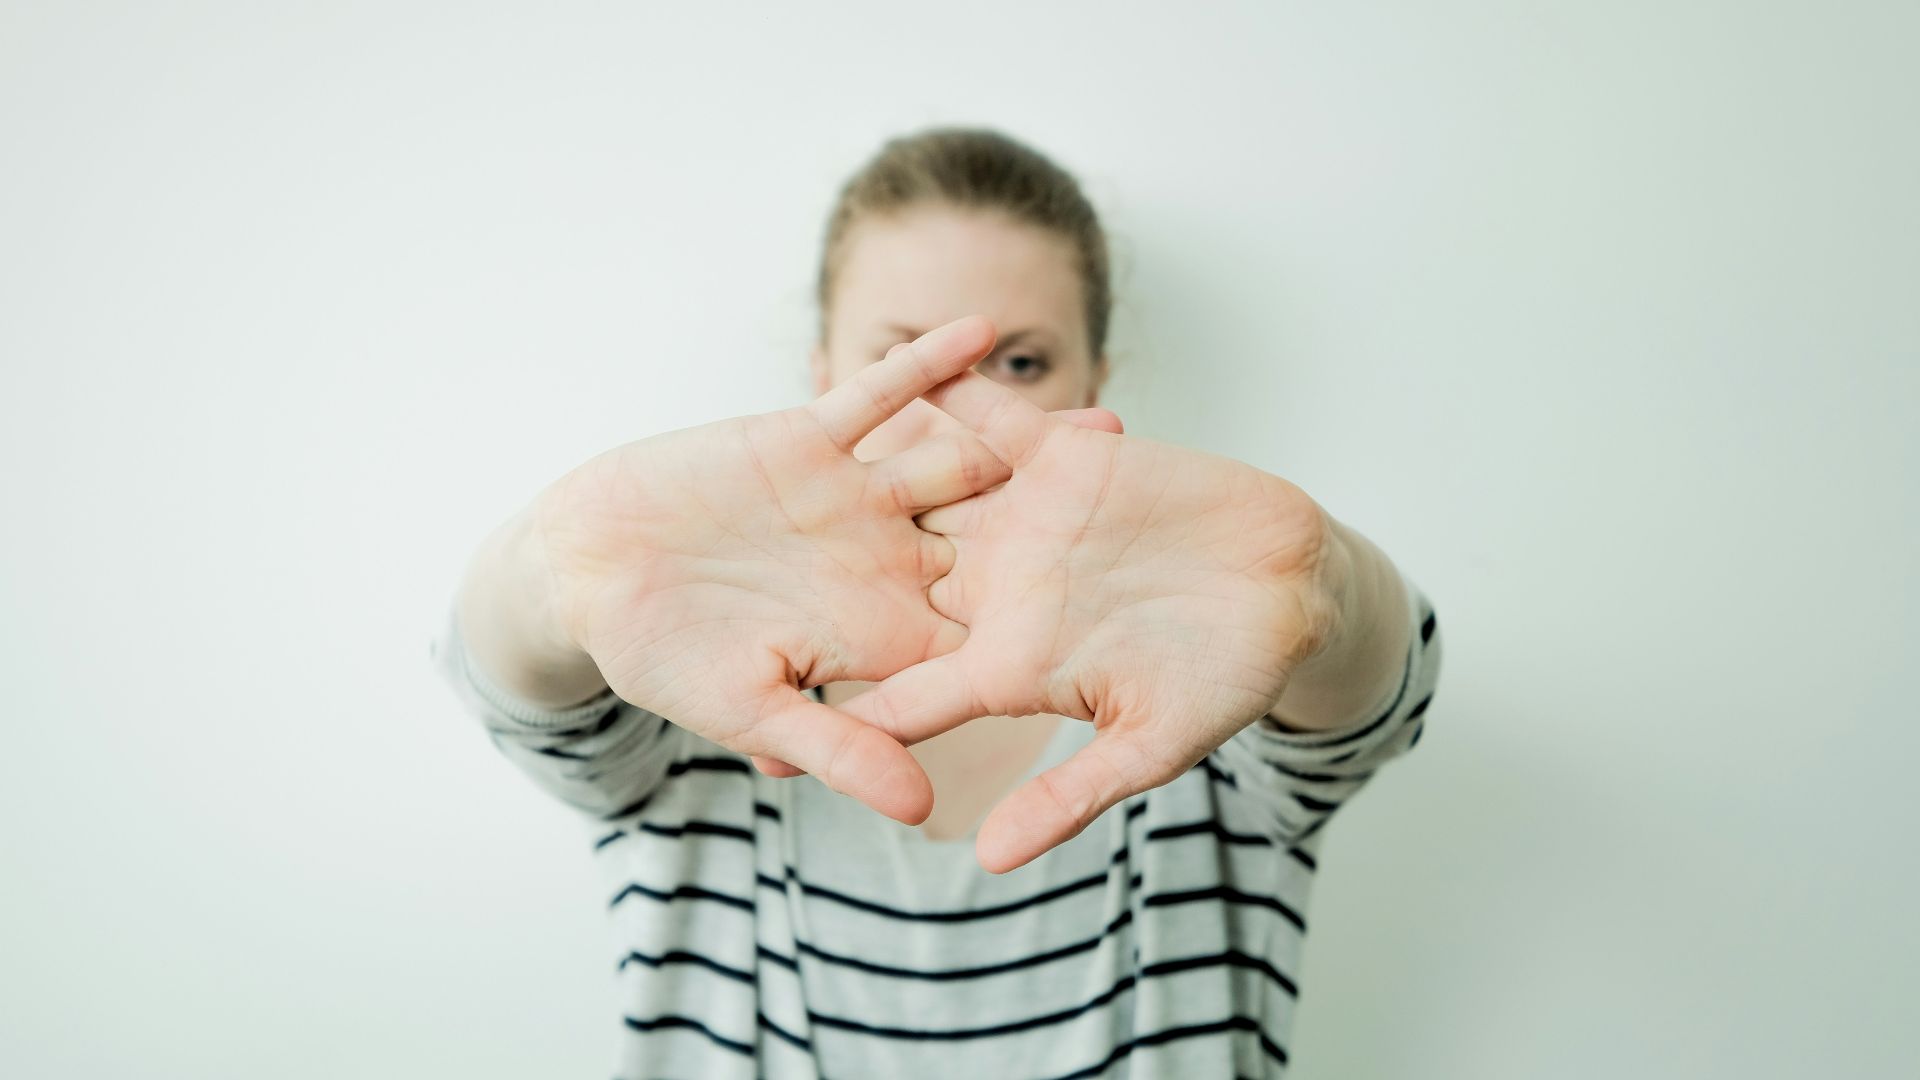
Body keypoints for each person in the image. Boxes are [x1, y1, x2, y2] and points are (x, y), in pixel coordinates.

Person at [432, 127, 1443, 1080]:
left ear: (1097, 375)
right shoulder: (692, 683)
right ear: (822, 372)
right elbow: (512, 682)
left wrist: (1320, 585)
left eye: (1019, 364)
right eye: (898, 357)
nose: (955, 409)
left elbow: (1375, 695)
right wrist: (560, 570)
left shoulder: (1202, 681)